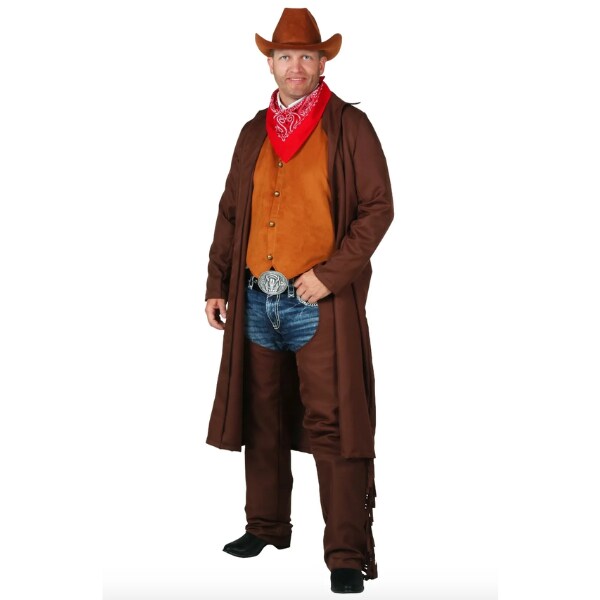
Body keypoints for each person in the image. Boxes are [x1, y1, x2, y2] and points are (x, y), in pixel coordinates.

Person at [204, 7, 394, 594]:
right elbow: (231, 212)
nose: (295, 66)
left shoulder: (349, 126)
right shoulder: (253, 131)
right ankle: (265, 526)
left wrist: (331, 276)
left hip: (318, 303)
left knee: (333, 424)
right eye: (284, 56)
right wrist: (216, 282)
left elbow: (378, 209)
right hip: (255, 298)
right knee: (261, 416)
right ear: (270, 63)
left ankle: (346, 554)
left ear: (321, 63)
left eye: (306, 56)